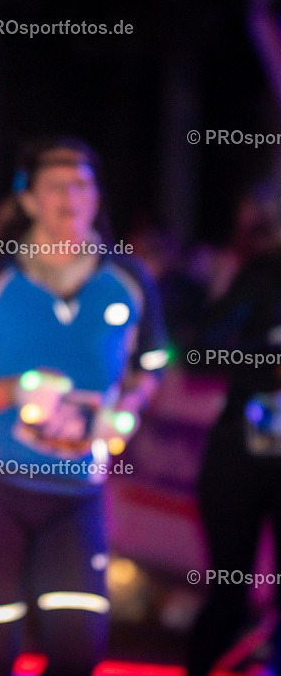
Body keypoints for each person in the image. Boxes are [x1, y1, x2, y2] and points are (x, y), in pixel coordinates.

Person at [0, 137, 168, 676]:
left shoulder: (130, 281)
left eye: (82, 185)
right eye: (55, 186)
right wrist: (16, 389)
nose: (71, 197)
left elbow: (153, 365)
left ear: (98, 198)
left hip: (76, 494)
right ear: (30, 200)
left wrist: (125, 412)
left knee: (79, 652)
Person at [186, 191, 281, 676]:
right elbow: (197, 351)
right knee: (228, 591)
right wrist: (267, 366)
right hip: (241, 459)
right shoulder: (265, 274)